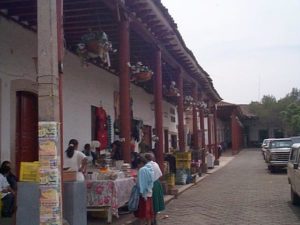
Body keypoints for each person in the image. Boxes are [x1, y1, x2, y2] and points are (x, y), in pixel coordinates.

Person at [145, 153, 165, 225]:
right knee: (156, 203)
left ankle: (151, 220)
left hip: (150, 185)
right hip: (157, 184)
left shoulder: (146, 167)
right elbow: (160, 174)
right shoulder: (156, 164)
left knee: (151, 203)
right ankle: (154, 219)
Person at [134, 157, 154, 225]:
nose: (138, 166)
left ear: (141, 163)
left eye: (138, 164)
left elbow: (140, 183)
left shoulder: (142, 170)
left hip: (143, 194)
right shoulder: (150, 168)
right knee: (148, 213)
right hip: (149, 192)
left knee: (142, 213)